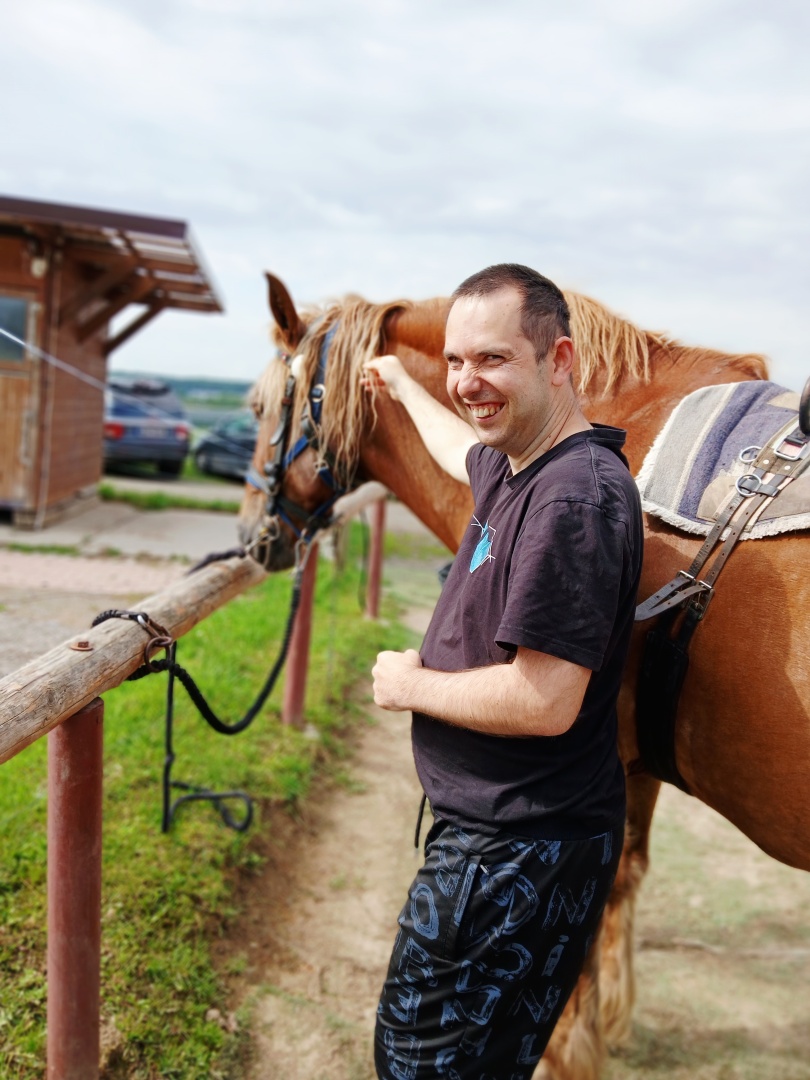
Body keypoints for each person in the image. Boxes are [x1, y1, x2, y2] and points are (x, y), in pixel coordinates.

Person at [363, 264, 644, 1080]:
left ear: (559, 360)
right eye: (455, 362)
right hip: (510, 838)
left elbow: (546, 698)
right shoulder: (521, 463)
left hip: (517, 852)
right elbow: (460, 450)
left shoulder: (570, 501)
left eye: (491, 359)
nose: (466, 382)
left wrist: (409, 686)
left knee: (419, 1062)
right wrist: (403, 388)